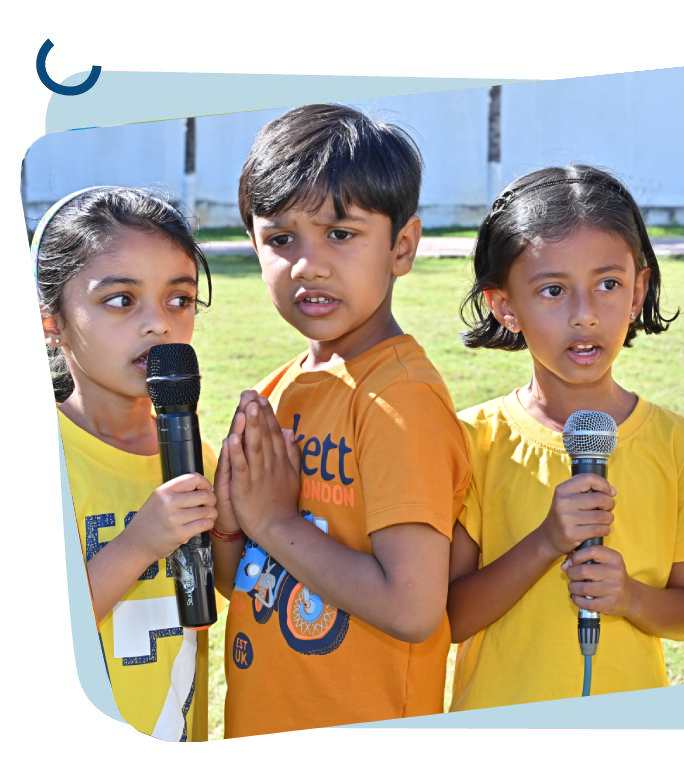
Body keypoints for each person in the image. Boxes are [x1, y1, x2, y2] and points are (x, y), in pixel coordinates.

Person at [212, 103, 470, 737]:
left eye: (341, 234)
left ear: (402, 247)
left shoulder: (399, 400)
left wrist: (272, 520)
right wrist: (229, 520)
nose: (309, 264)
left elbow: (412, 608)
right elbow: (236, 581)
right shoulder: (276, 392)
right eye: (281, 239)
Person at [447, 165, 684, 710]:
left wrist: (629, 597)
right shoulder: (470, 442)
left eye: (608, 285)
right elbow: (450, 618)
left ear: (637, 291)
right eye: (553, 290)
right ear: (505, 306)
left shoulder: (680, 445)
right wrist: (545, 541)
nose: (584, 316)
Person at [35, 186, 218, 740]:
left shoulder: (198, 458)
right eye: (120, 300)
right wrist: (140, 544)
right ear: (52, 322)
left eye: (179, 299)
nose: (159, 324)